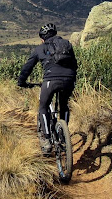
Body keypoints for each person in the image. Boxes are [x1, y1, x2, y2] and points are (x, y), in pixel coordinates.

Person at [17, 23, 78, 155]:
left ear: (43, 38)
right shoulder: (66, 44)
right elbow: (75, 63)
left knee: (43, 106)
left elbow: (27, 67)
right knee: (64, 105)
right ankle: (63, 133)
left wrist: (21, 82)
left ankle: (47, 139)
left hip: (51, 80)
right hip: (69, 79)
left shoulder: (40, 48)